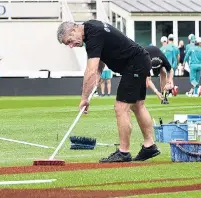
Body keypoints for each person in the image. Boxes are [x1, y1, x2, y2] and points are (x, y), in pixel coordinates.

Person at [56, 20, 160, 163]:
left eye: (69, 41)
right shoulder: (91, 30)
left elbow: (90, 71)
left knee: (121, 108)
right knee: (137, 105)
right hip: (140, 61)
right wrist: (96, 81)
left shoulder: (93, 35)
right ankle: (150, 146)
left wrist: (84, 98)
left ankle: (124, 152)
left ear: (74, 30)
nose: (71, 46)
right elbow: (99, 65)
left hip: (134, 65)